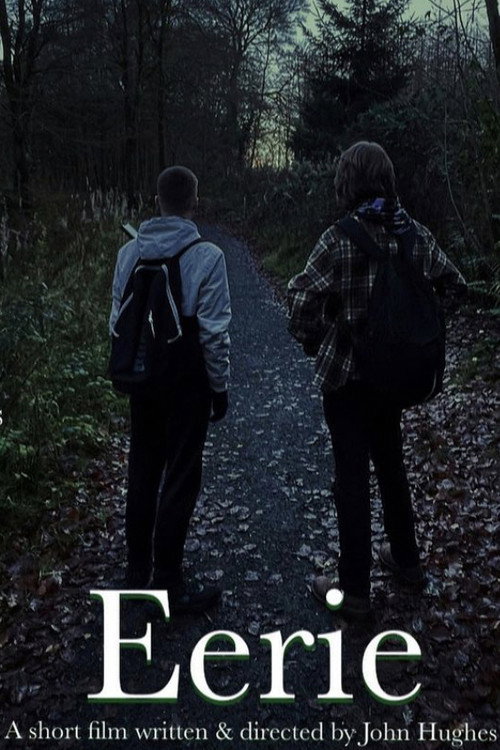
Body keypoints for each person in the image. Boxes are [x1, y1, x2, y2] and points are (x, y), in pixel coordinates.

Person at [287, 141, 466, 619]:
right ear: (386, 179)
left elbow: (300, 302)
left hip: (348, 378)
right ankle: (407, 561)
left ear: (347, 181)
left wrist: (319, 338)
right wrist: (419, 331)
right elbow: (454, 285)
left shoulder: (338, 238)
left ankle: (354, 590)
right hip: (394, 377)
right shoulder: (414, 234)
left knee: (351, 477)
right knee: (391, 464)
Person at [109, 166, 231, 613]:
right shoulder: (208, 257)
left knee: (142, 469)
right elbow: (214, 334)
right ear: (194, 201)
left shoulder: (129, 254)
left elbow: (116, 322)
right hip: (187, 383)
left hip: (143, 379)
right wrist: (219, 388)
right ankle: (167, 581)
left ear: (156, 200)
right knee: (181, 473)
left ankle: (136, 572)